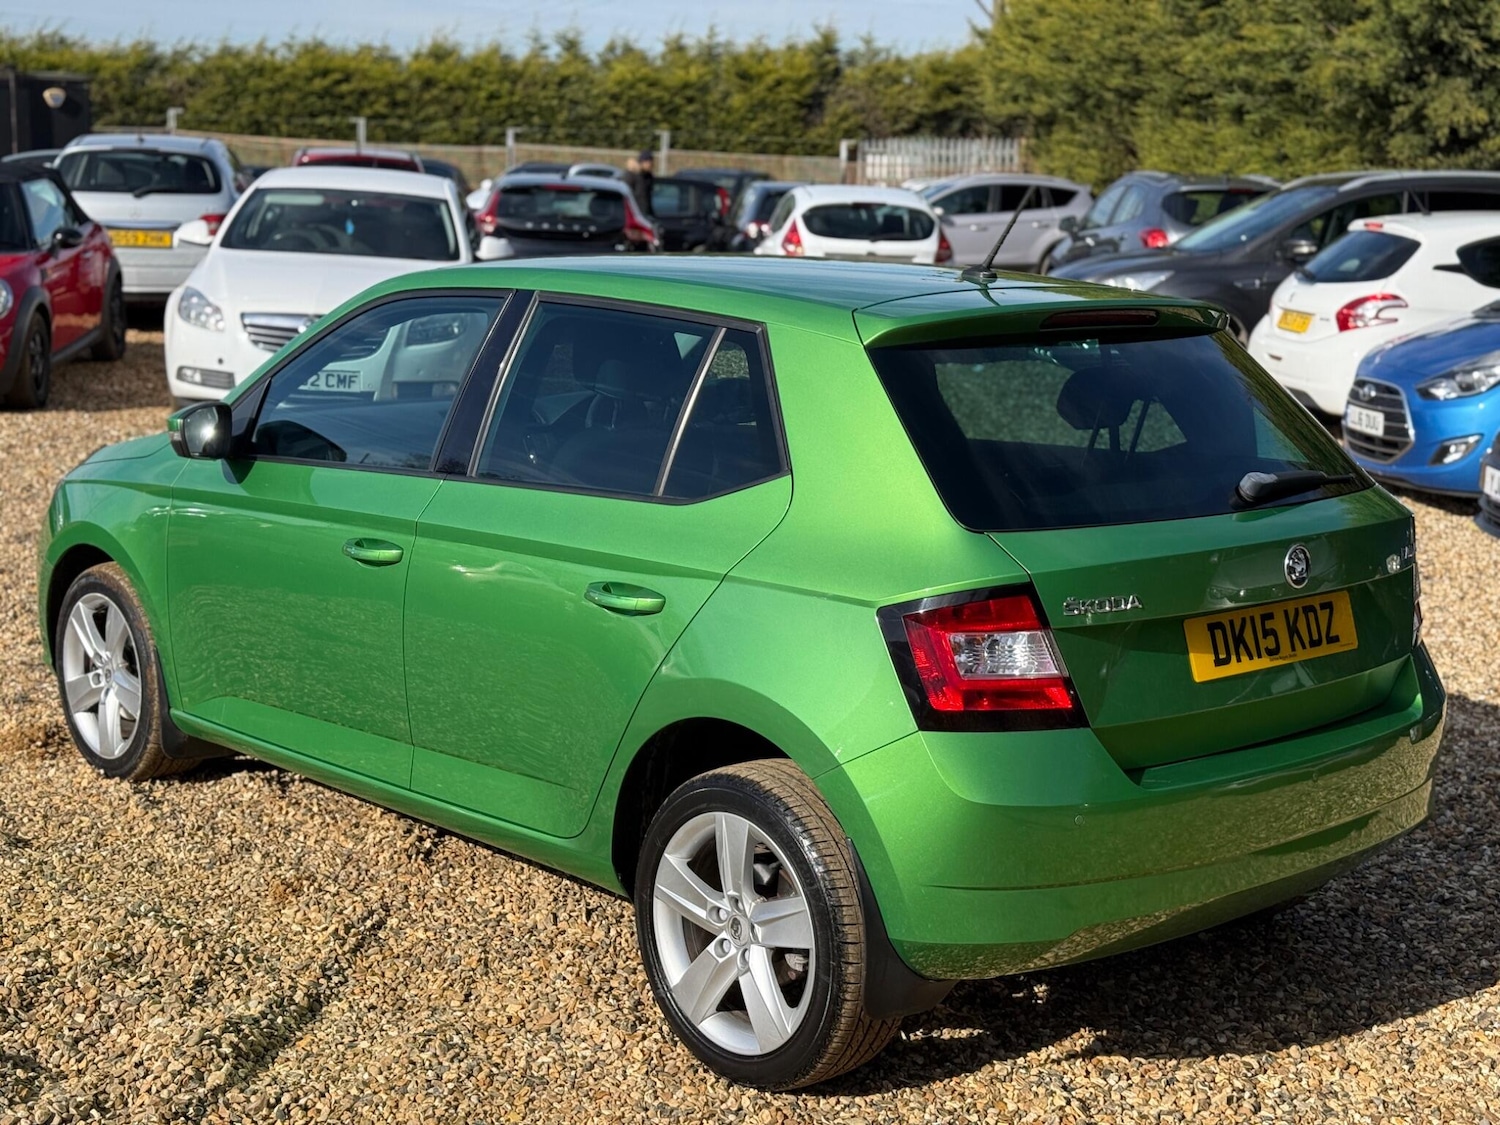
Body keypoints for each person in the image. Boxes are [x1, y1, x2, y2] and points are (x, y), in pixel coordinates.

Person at [625, 150, 655, 216]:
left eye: (651, 161)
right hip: (635, 214)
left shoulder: (649, 176)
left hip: (646, 214)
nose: (651, 164)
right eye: (648, 161)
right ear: (642, 162)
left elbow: (648, 198)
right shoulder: (633, 175)